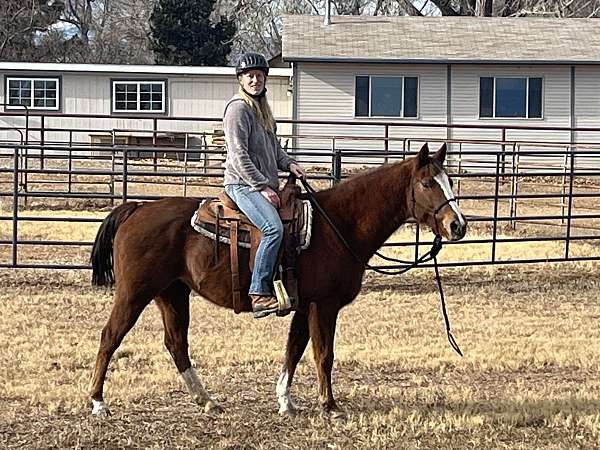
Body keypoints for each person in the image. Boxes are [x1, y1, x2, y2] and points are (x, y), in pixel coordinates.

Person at [223, 52, 306, 318]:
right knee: (272, 229)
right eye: (250, 76)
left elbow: (274, 150)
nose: (255, 80)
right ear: (241, 80)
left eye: (259, 75)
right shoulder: (238, 109)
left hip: (258, 184)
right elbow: (239, 154)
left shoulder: (261, 110)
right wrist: (262, 186)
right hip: (242, 184)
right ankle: (259, 293)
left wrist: (290, 164)